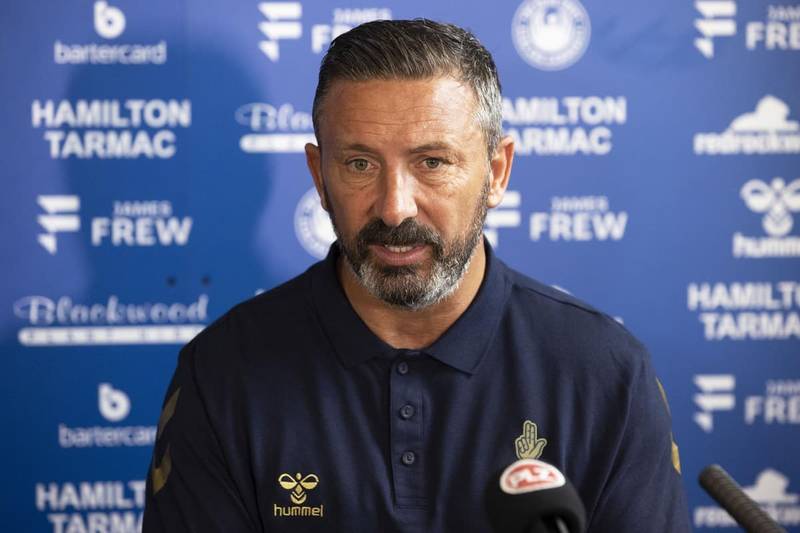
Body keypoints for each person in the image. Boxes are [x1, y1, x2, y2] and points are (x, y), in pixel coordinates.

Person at [143, 19, 690, 532]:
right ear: (319, 176)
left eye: (432, 162)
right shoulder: (222, 373)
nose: (395, 208)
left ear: (497, 172)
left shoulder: (607, 374)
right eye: (360, 164)